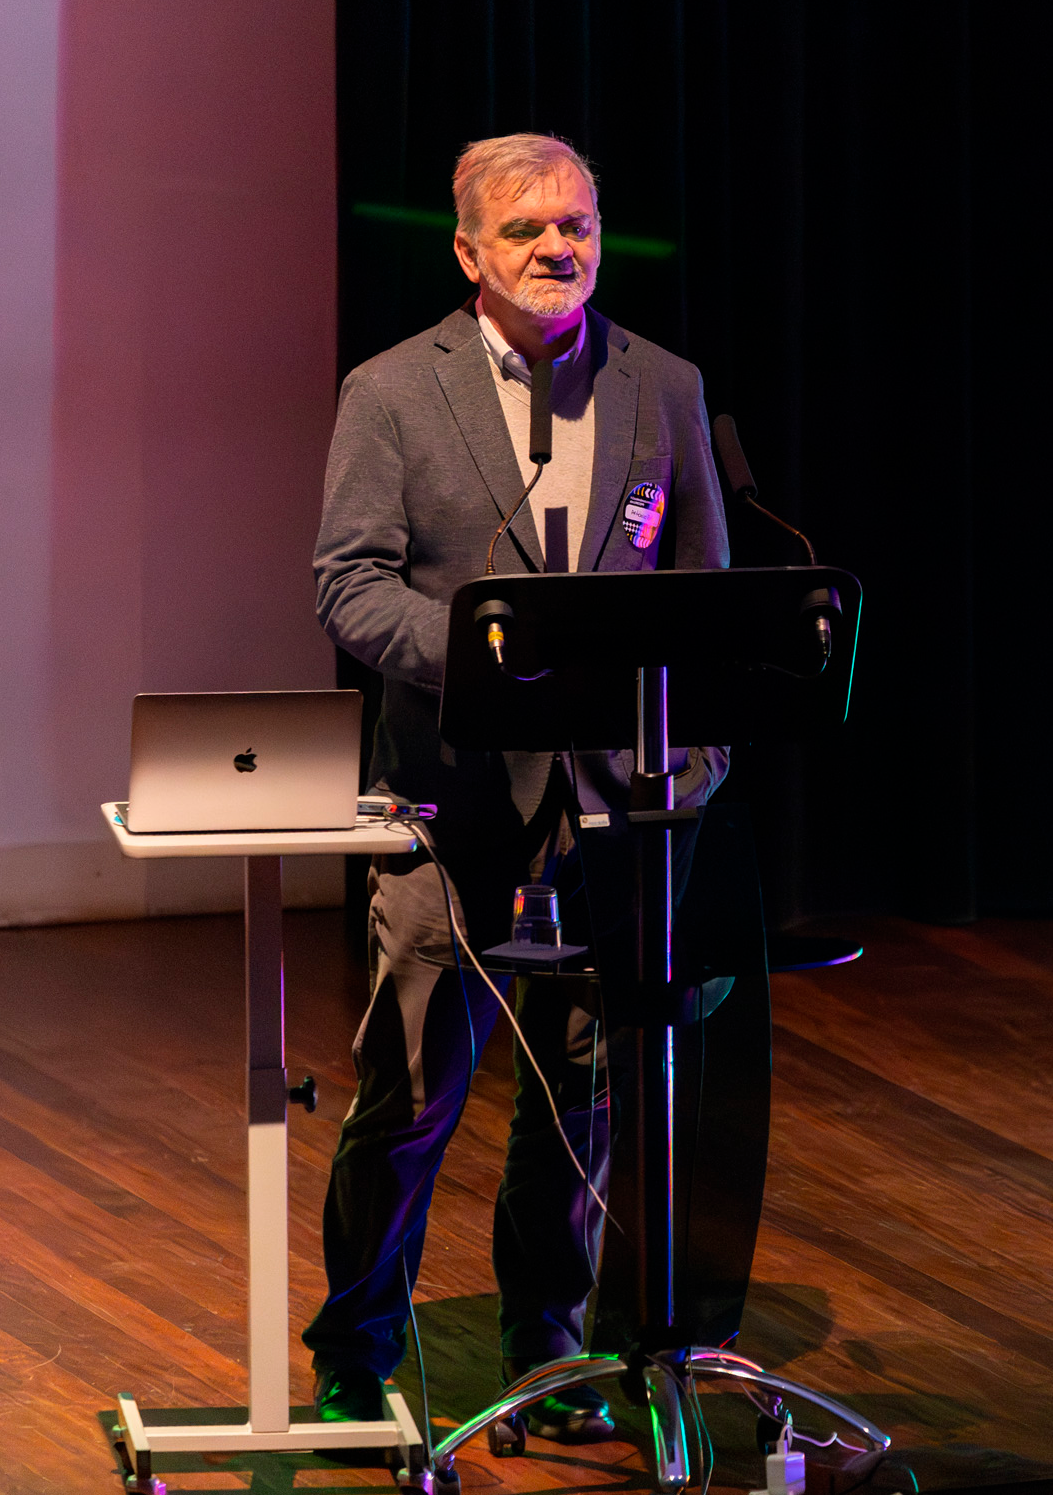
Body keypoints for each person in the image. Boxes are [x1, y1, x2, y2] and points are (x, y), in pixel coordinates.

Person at [307, 133, 728, 1439]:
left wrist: (697, 764)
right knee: (415, 1090)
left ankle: (546, 1351)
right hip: (451, 804)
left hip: (619, 808)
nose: (562, 247)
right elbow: (350, 582)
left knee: (586, 1091)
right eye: (533, 228)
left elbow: (706, 598)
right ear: (469, 253)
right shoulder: (390, 390)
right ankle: (356, 1346)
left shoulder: (661, 385)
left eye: (581, 224)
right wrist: (494, 672)